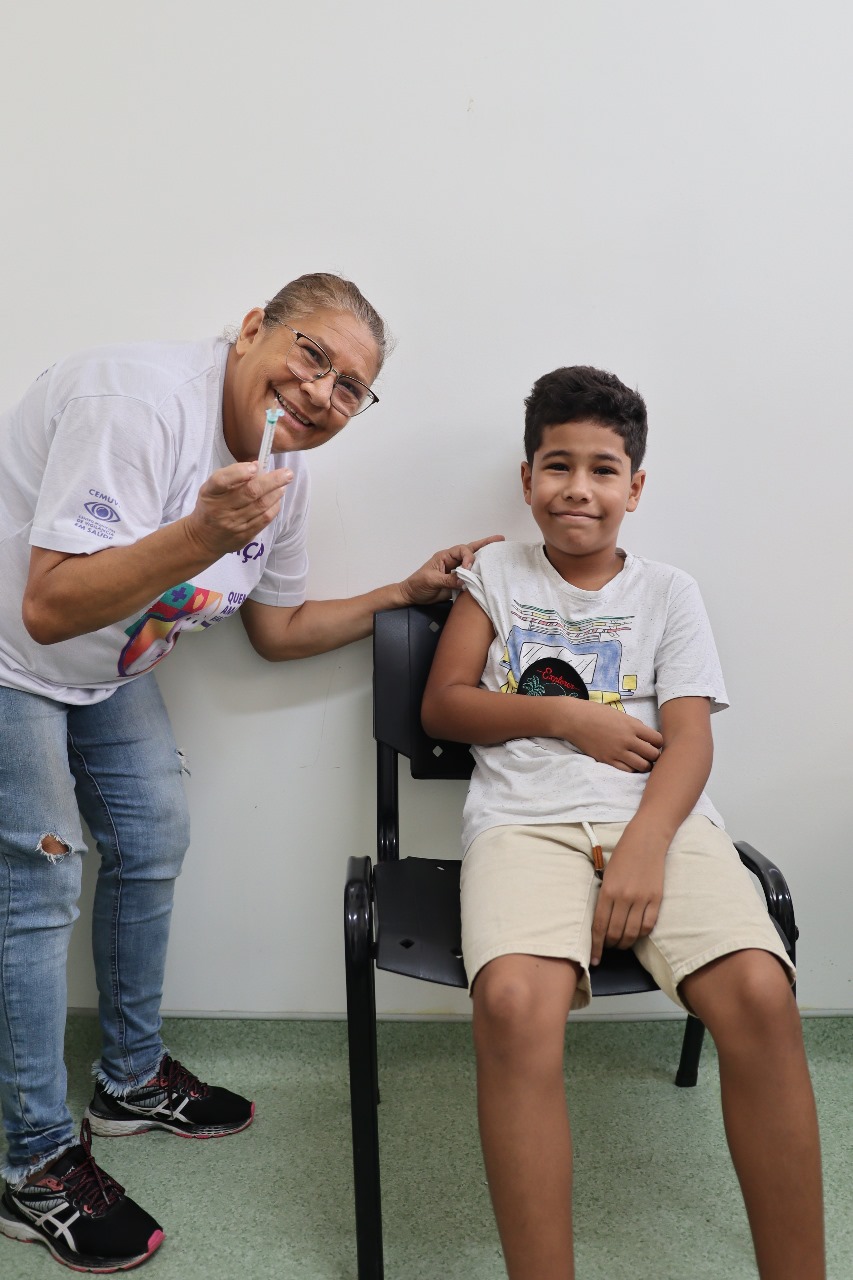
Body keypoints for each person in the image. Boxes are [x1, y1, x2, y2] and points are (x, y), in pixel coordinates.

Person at [0, 272, 499, 1272]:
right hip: (13, 659)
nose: (322, 393)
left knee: (154, 839)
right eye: (312, 355)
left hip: (107, 670)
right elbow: (47, 609)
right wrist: (199, 533)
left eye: (350, 387)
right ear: (250, 329)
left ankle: (129, 1081)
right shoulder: (135, 403)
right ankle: (34, 1161)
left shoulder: (283, 476)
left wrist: (403, 590)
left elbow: (276, 631)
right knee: (40, 885)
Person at [421, 365, 824, 1280]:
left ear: (633, 488)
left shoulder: (670, 592)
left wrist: (644, 846)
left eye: (602, 470)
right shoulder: (493, 576)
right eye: (556, 466)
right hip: (523, 825)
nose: (578, 488)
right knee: (512, 1004)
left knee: (761, 994)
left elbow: (689, 742)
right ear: (527, 478)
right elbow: (445, 705)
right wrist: (569, 718)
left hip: (661, 825)